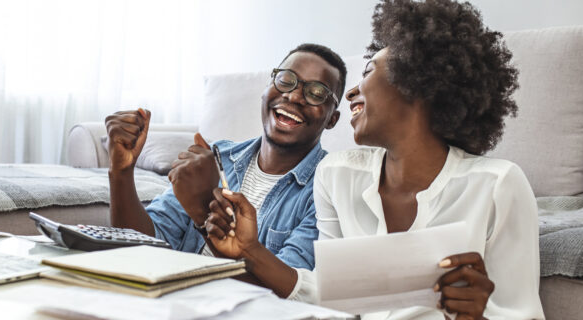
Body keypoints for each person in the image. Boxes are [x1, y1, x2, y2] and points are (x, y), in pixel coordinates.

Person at [204, 0, 545, 318]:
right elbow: (328, 295)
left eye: (368, 71)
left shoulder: (498, 185)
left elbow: (523, 312)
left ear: (417, 82)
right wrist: (250, 250)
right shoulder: (336, 175)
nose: (351, 92)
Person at [104, 44, 347, 276]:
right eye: (286, 80)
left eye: (316, 93)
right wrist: (121, 172)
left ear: (332, 119)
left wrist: (203, 213)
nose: (294, 96)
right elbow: (141, 246)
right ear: (266, 88)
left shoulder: (328, 187)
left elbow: (288, 289)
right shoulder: (219, 157)